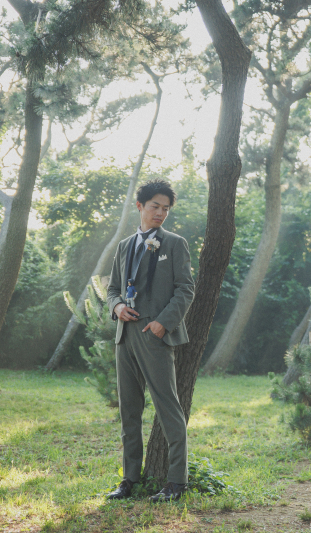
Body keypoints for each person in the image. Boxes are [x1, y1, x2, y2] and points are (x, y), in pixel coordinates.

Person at [105, 179, 195, 502]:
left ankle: (176, 482)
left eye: (166, 209)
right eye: (155, 206)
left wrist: (163, 324)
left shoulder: (175, 244)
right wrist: (117, 307)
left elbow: (186, 289)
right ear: (140, 206)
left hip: (155, 336)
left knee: (168, 408)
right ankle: (129, 479)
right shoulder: (124, 246)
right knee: (129, 411)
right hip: (125, 335)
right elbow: (112, 289)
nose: (161, 213)